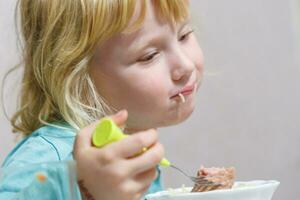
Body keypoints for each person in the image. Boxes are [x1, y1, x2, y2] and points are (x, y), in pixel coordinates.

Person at [0, 0, 204, 199]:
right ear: (77, 80)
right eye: (149, 56)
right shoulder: (53, 158)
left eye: (184, 35)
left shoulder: (131, 153)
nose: (185, 66)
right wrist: (79, 186)